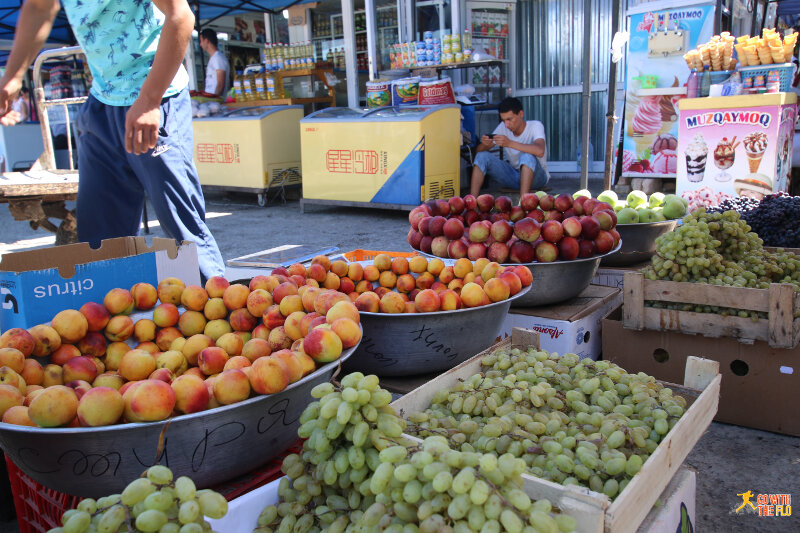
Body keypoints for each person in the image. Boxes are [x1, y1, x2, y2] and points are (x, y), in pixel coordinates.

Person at [0, 0, 225, 282]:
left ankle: (221, 310)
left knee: (183, 227)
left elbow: (180, 16)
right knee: (99, 242)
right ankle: (109, 313)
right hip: (102, 103)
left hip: (157, 93)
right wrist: (13, 75)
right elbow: (38, 8)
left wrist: (149, 99)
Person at [470, 97, 550, 197]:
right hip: (514, 178)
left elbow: (540, 151)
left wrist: (509, 143)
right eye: (504, 120)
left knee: (527, 156)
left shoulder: (535, 125)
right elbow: (478, 152)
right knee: (482, 156)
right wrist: (484, 144)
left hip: (537, 178)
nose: (507, 125)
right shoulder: (503, 127)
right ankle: (471, 203)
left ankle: (523, 204)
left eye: (509, 119)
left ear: (521, 114)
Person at [199, 28, 230, 98]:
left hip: (217, 103)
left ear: (206, 41)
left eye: (201, 41)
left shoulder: (218, 58)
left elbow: (220, 84)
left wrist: (214, 100)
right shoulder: (213, 58)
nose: (200, 44)